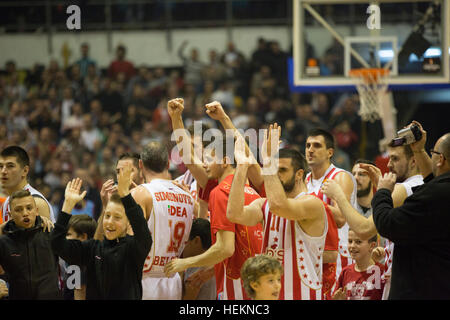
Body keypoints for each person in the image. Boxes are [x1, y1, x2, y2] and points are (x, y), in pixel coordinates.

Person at [164, 100, 263, 300]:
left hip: (232, 277)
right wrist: (176, 118)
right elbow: (189, 156)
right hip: (258, 276)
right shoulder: (253, 189)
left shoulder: (219, 191)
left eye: (209, 157)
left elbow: (225, 248)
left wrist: (186, 263)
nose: (205, 162)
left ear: (225, 159)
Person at [226, 129, 328, 300]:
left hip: (302, 295)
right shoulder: (265, 204)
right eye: (275, 169)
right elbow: (234, 214)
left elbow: (279, 205)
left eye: (282, 170)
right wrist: (242, 166)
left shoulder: (312, 204)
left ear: (299, 174)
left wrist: (268, 161)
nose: (276, 174)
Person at [322, 138, 424, 299]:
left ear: (413, 161)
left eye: (395, 159)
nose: (389, 165)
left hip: (407, 284)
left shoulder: (406, 188)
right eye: (389, 158)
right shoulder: (422, 184)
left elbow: (363, 230)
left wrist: (338, 195)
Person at [371, 122, 450, 299]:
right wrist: (419, 150)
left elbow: (386, 224)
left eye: (433, 153)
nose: (390, 164)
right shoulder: (439, 189)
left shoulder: (431, 195)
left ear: (441, 159)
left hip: (422, 289)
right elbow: (433, 180)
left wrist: (382, 191)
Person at [51, 166, 152, 300]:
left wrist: (126, 196)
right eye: (107, 215)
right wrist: (67, 207)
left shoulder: (133, 247)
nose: (110, 222)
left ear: (128, 222)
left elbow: (143, 232)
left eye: (117, 217)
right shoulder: (92, 248)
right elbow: (56, 244)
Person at [129, 141, 195, 300]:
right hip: (174, 279)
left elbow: (126, 242)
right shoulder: (188, 197)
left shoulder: (141, 194)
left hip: (145, 278)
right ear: (167, 163)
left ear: (140, 164)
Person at [304, 128, 357, 299]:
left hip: (338, 258)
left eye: (317, 145)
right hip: (314, 256)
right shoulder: (305, 179)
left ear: (330, 152)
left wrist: (310, 204)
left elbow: (341, 219)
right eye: (308, 145)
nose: (310, 150)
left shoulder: (340, 177)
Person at [0, 190, 61, 299]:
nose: (25, 213)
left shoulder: (50, 234)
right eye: (18, 210)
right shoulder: (4, 242)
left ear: (36, 211)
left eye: (29, 208)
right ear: (10, 215)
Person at [1, 146, 55, 223]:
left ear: (25, 171)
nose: (3, 171)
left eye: (10, 166)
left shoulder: (36, 203)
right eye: (0, 166)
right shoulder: (6, 203)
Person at [332, 230, 385, 300]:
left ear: (372, 245)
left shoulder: (382, 272)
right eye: (350, 241)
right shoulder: (345, 272)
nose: (352, 246)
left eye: (358, 242)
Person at [61, 214, 97, 300]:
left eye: (68, 234)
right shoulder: (69, 258)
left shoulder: (88, 263)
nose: (64, 239)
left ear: (83, 237)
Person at [181, 218, 216, 300]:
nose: (182, 247)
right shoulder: (213, 265)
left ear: (196, 240)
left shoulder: (196, 273)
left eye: (185, 241)